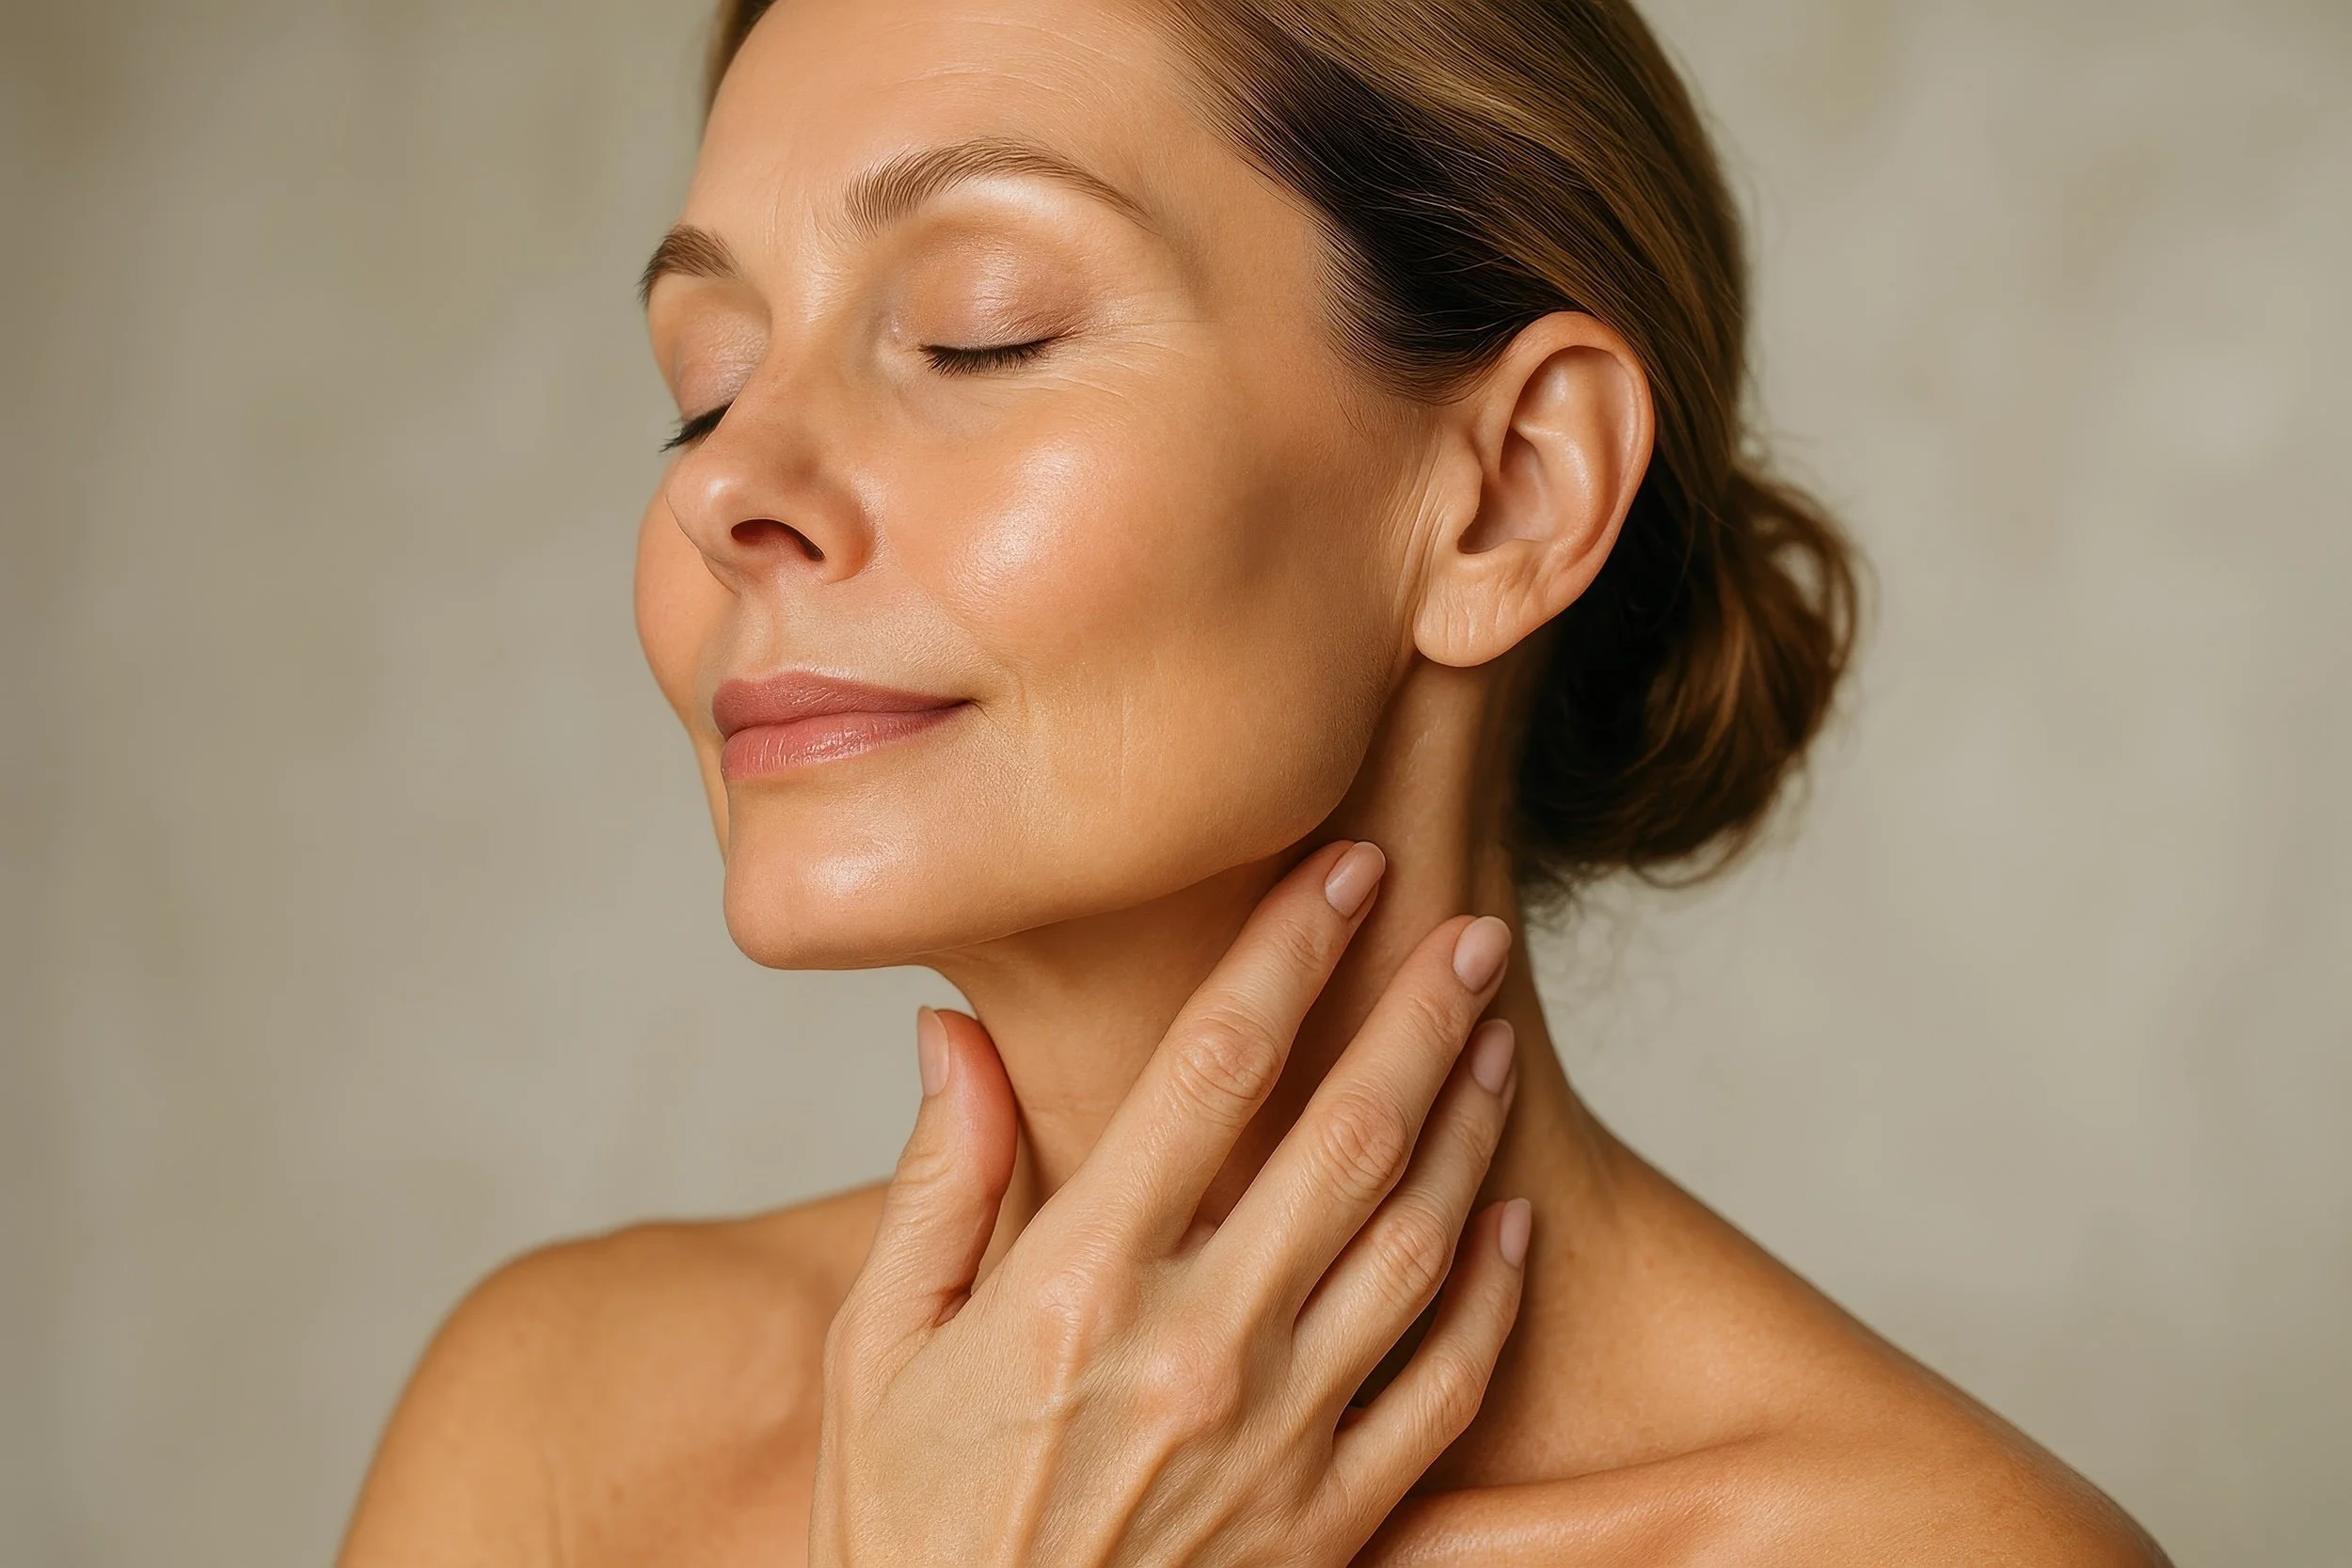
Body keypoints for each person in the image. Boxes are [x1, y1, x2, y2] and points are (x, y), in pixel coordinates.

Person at [338, 0, 2170, 1561]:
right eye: (707, 380)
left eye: (980, 327)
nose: (720, 484)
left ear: (1511, 491)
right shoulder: (556, 1427)